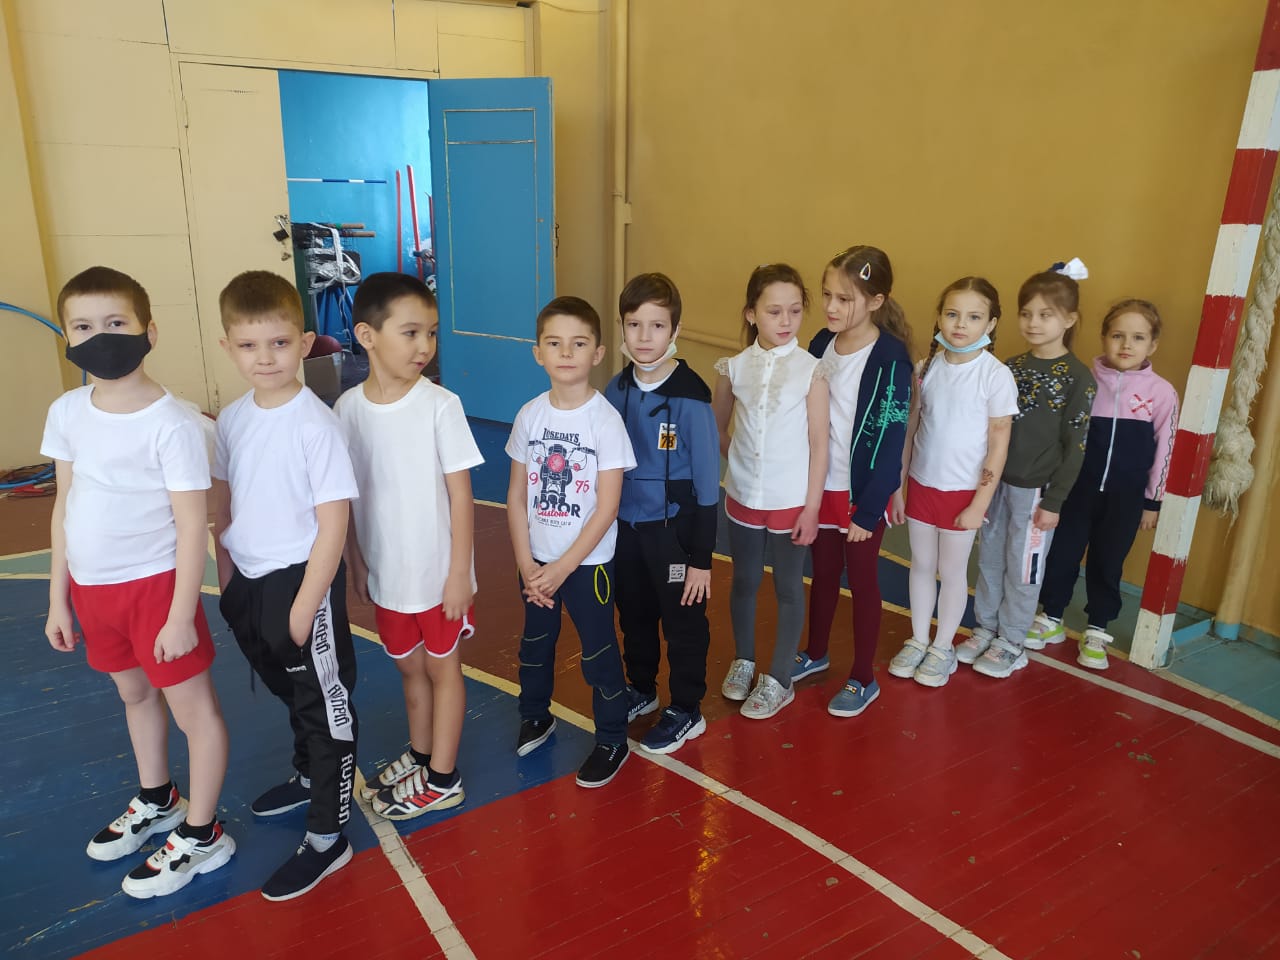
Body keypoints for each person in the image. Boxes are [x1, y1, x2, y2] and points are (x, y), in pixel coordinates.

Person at [41, 266, 234, 898]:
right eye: (83, 326)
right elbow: (64, 505)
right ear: (67, 337)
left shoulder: (172, 423)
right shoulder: (67, 411)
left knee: (193, 712)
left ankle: (204, 833)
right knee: (134, 696)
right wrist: (59, 597)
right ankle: (159, 798)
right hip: (93, 592)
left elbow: (192, 525)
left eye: (115, 323)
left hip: (155, 590)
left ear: (148, 332)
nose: (99, 337)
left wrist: (180, 614)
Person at [212, 270, 359, 900]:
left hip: (302, 582)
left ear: (303, 343)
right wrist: (227, 577)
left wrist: (306, 605)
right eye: (249, 346)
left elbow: (334, 523)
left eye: (278, 343)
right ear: (228, 348)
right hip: (249, 582)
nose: (265, 358)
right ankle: (306, 775)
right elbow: (226, 502)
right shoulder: (231, 418)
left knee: (324, 707)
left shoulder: (314, 425)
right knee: (288, 689)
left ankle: (328, 836)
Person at [336, 273, 482, 816]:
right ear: (367, 336)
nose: (425, 346)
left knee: (443, 669)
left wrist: (458, 573)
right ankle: (421, 753)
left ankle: (443, 776)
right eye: (412, 332)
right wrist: (356, 561)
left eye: (432, 333)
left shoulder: (440, 405)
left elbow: (461, 497)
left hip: (437, 574)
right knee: (409, 669)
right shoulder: (347, 410)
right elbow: (347, 496)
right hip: (387, 573)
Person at [506, 296, 637, 787]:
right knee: (535, 645)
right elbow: (516, 495)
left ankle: (612, 739)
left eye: (578, 344)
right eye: (555, 343)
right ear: (538, 352)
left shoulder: (604, 421)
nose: (566, 353)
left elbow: (607, 507)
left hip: (586, 566)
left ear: (597, 353)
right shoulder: (529, 415)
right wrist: (527, 562)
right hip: (536, 563)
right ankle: (535, 715)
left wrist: (560, 569)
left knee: (598, 652)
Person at [956, 260, 1097, 678]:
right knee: (990, 559)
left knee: (1024, 568)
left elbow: (1076, 447)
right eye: (1026, 313)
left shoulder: (1078, 379)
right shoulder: (1008, 368)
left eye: (1045, 314)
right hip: (995, 484)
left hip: (1036, 492)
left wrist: (1054, 502)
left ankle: (1013, 640)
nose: (1033, 323)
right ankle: (985, 628)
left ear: (1069, 319)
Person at [793, 245, 913, 716]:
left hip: (860, 494)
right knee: (822, 573)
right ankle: (816, 651)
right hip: (821, 486)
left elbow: (891, 436)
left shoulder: (890, 357)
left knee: (862, 581)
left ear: (876, 301)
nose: (831, 306)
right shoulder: (820, 343)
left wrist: (869, 507)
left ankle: (864, 677)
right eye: (827, 295)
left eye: (845, 299)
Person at [1028, 299, 1178, 669]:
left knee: (1108, 562)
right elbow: (1061, 438)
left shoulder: (1161, 393)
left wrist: (1152, 502)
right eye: (1117, 335)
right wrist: (1051, 488)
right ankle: (1051, 616)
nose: (1126, 345)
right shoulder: (1084, 381)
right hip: (1075, 493)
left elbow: (1166, 450)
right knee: (1061, 555)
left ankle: (1097, 627)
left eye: (1138, 338)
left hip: (1126, 499)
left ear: (1153, 345)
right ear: (1104, 338)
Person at [604, 272, 719, 755]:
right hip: (626, 530)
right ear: (622, 328)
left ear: (675, 331)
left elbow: (708, 487)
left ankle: (687, 708)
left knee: (682, 622)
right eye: (634, 325)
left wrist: (701, 559)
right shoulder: (616, 389)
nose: (644, 337)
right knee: (634, 614)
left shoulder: (691, 397)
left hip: (675, 534)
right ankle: (642, 688)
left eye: (657, 326)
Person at [887, 277, 1017, 687]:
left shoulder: (995, 376)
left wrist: (979, 503)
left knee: (952, 570)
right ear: (940, 317)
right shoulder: (926, 369)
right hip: (922, 486)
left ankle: (943, 646)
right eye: (953, 314)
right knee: (922, 565)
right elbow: (911, 430)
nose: (961, 324)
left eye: (974, 317)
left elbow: (998, 444)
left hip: (963, 493)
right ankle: (918, 639)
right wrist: (898, 486)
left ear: (991, 324)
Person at [713, 264, 829, 719]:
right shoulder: (734, 367)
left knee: (787, 587)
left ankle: (780, 678)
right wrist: (742, 461)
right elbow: (718, 428)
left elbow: (819, 443)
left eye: (795, 311)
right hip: (743, 496)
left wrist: (812, 508)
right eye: (774, 311)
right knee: (744, 580)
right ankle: (744, 659)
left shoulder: (811, 371)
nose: (786, 321)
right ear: (752, 314)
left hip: (791, 503)